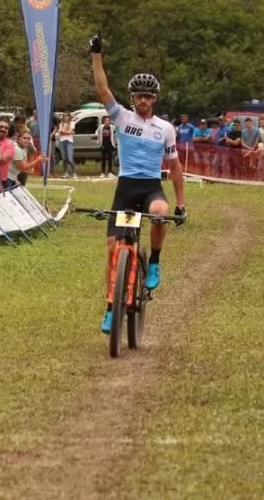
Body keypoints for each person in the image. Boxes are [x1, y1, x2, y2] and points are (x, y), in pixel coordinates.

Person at [89, 33, 185, 335]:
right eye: (139, 96)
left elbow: (174, 166)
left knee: (159, 210)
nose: (143, 101)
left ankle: (154, 261)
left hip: (150, 187)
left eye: (148, 97)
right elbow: (102, 88)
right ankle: (109, 307)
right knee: (112, 248)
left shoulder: (165, 129)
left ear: (155, 99)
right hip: (126, 189)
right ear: (133, 98)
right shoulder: (121, 118)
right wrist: (96, 55)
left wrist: (180, 203)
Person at [58, 112, 76, 178]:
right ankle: (66, 173)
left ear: (69, 117)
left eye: (66, 116)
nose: (65, 117)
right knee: (64, 159)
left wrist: (64, 132)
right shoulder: (61, 124)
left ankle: (74, 172)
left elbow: (70, 132)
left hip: (69, 141)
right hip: (62, 141)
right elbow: (59, 133)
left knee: (70, 158)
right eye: (64, 116)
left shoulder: (72, 123)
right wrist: (65, 132)